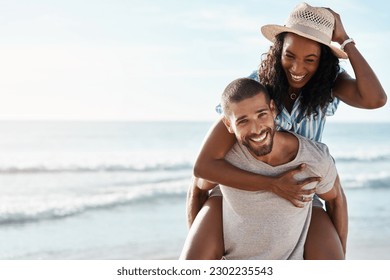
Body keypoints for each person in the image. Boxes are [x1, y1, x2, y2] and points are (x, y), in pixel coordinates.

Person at [185, 2, 387, 259]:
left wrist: (345, 41)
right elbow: (203, 167)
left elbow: (375, 99)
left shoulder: (329, 83)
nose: (297, 68)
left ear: (323, 61)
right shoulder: (258, 86)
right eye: (289, 56)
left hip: (301, 185)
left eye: (310, 60)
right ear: (278, 49)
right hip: (247, 181)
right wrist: (273, 185)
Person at [181, 78, 342, 259]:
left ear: (273, 109)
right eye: (243, 121)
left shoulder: (313, 159)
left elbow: (336, 201)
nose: (256, 129)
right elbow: (197, 188)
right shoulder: (225, 159)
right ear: (228, 125)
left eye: (261, 115)